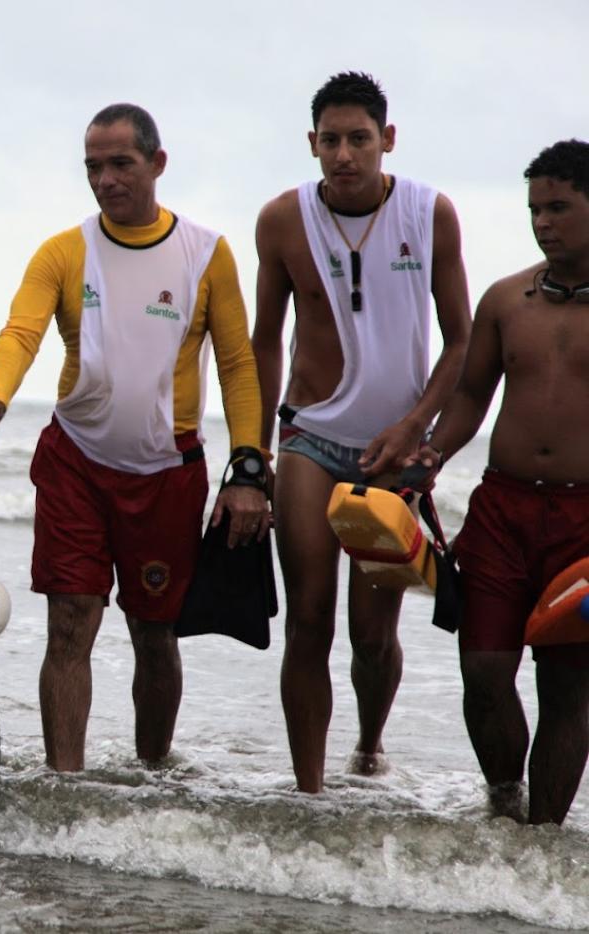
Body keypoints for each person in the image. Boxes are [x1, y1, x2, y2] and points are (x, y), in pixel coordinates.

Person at [0, 104, 269, 769]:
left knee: (155, 634)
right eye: (93, 166)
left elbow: (239, 364)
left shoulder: (206, 254)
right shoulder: (65, 251)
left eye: (121, 163)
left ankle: (151, 776)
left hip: (167, 473)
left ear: (157, 163)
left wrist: (248, 468)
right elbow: (21, 332)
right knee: (69, 623)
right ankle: (66, 785)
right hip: (76, 465)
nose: (106, 179)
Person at [250, 72, 472, 792]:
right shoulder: (282, 221)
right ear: (311, 144)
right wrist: (252, 457)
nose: (344, 154)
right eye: (330, 140)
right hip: (309, 436)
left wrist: (415, 428)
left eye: (359, 139)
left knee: (372, 635)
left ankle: (370, 747)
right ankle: (308, 792)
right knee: (308, 619)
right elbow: (262, 342)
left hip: (390, 452)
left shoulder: (428, 213)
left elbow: (462, 340)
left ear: (388, 140)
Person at [414, 139, 589, 825]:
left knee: (568, 688)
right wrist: (427, 459)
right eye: (535, 210)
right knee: (484, 671)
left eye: (560, 208)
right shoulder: (504, 301)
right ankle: (502, 799)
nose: (543, 223)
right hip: (502, 510)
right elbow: (468, 400)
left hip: (582, 523)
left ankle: (541, 846)